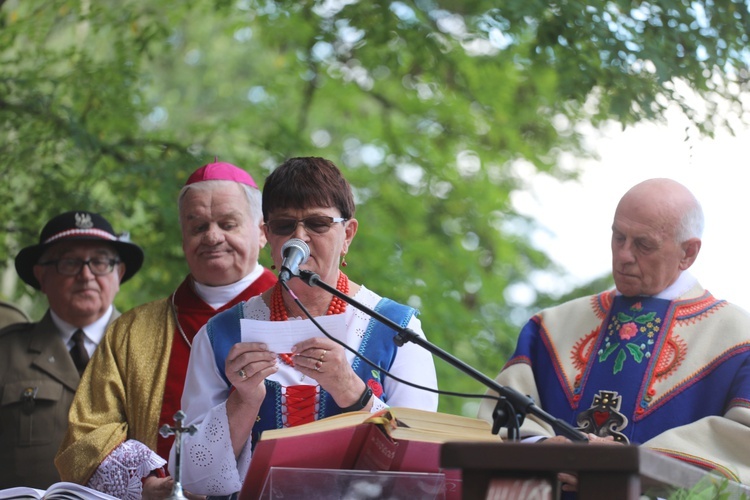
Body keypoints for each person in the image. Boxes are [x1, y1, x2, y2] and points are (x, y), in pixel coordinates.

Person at [171, 156, 439, 496]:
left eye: (318, 223)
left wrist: (350, 390)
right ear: (267, 235)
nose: (300, 238)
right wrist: (244, 401)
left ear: (348, 234)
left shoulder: (397, 328)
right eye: (285, 226)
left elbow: (424, 466)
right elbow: (193, 478)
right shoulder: (220, 334)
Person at [478, 178, 750, 485]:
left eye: (643, 244)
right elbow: (498, 419)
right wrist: (541, 450)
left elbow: (743, 444)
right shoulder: (551, 327)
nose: (623, 255)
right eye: (618, 237)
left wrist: (633, 466)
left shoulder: (738, 340)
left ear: (688, 253)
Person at [55, 162, 277, 500]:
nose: (213, 236)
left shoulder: (301, 316)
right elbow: (88, 433)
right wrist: (145, 486)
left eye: (228, 224)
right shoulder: (132, 331)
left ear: (262, 231)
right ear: (184, 237)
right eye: (198, 226)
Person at [0, 210, 143, 489]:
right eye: (70, 262)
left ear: (119, 272)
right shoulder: (6, 353)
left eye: (100, 262)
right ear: (41, 275)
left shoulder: (149, 350)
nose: (86, 275)